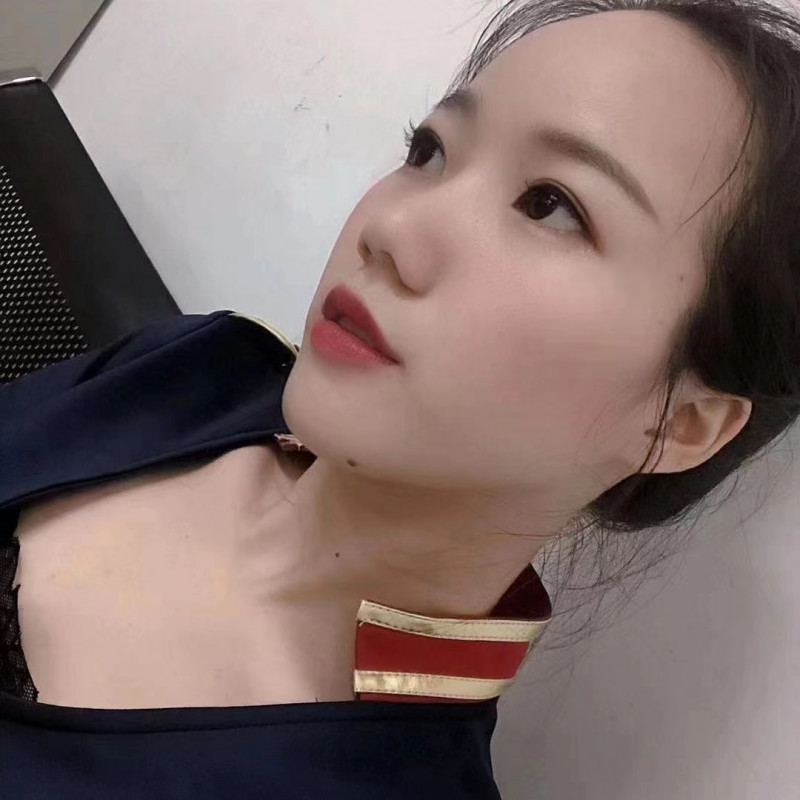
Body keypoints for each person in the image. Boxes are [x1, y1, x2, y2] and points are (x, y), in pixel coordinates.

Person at [2, 0, 800, 797]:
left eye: (550, 205)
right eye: (430, 150)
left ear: (679, 424)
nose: (393, 229)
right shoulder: (205, 368)